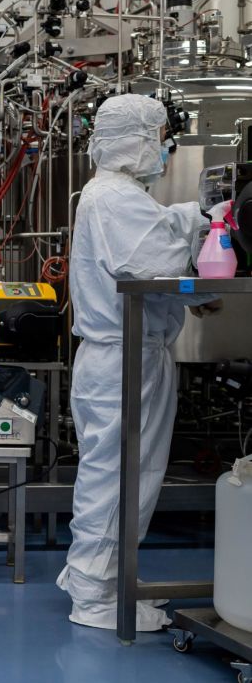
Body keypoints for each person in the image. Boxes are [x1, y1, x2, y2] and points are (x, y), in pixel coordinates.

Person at [59, 93, 225, 631]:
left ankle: (95, 580)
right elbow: (153, 265)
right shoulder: (112, 198)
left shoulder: (115, 196)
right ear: (134, 140)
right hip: (125, 359)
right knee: (121, 476)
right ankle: (96, 597)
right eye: (157, 138)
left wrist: (195, 217)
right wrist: (203, 271)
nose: (164, 149)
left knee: (118, 473)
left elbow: (157, 235)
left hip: (123, 357)